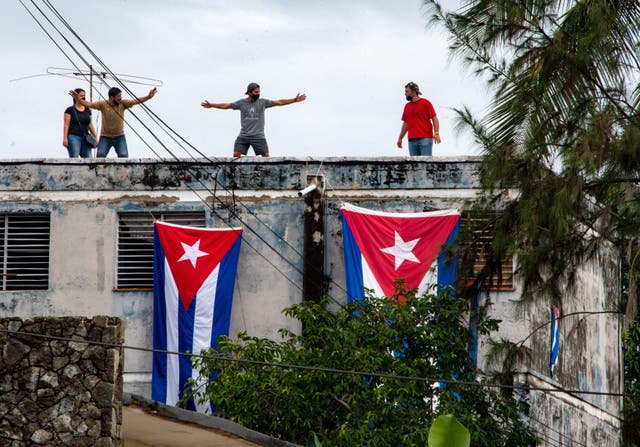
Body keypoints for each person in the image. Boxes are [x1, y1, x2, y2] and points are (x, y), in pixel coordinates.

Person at [201, 82, 307, 157]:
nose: (258, 93)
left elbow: (279, 102)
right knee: (236, 154)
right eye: (256, 92)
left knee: (266, 156)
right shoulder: (241, 103)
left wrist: (294, 100)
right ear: (249, 92)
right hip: (244, 135)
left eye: (259, 92)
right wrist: (212, 105)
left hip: (258, 136)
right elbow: (226, 105)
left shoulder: (263, 102)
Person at [69, 86, 157, 158]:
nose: (120, 98)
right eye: (118, 96)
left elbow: (135, 101)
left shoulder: (123, 103)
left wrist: (148, 97)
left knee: (123, 156)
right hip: (105, 136)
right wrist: (78, 99)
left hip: (119, 136)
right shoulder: (103, 104)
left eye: (120, 96)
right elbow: (89, 104)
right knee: (100, 155)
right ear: (111, 97)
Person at [397, 81, 441, 156]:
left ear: (413, 92)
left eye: (407, 91)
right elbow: (406, 123)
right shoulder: (407, 106)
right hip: (412, 140)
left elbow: (434, 118)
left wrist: (436, 133)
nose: (405, 93)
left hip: (425, 139)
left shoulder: (425, 103)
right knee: (414, 166)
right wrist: (400, 138)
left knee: (426, 164)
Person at [63, 88, 98, 158]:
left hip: (86, 137)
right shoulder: (70, 110)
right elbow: (66, 125)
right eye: (81, 95)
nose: (83, 97)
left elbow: (90, 124)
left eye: (84, 96)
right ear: (76, 96)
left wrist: (95, 136)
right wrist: (65, 138)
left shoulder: (87, 110)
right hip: (73, 136)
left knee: (88, 158)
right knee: (74, 156)